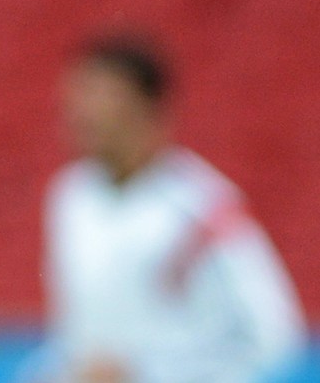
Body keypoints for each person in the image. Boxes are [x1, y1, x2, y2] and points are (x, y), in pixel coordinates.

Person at [30, 32, 308, 382]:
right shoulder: (70, 196)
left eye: (102, 94)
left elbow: (274, 334)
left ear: (149, 108)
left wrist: (149, 372)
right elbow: (77, 339)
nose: (84, 110)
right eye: (80, 93)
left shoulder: (204, 207)